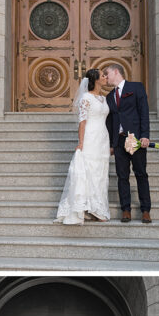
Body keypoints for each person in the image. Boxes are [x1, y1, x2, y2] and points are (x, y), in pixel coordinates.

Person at [55, 68, 110, 225]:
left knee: (100, 172)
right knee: (90, 171)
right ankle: (88, 208)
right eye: (103, 75)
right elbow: (83, 121)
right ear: (96, 79)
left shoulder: (103, 98)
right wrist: (81, 142)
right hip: (90, 138)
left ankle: (97, 207)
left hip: (103, 138)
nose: (106, 77)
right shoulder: (86, 98)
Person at [101, 64, 152, 224]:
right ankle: (126, 210)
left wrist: (145, 135)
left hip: (135, 139)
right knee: (122, 176)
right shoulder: (109, 96)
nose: (105, 77)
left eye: (106, 73)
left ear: (116, 72)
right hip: (119, 141)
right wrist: (111, 144)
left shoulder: (136, 87)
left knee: (141, 174)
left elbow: (143, 112)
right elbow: (110, 122)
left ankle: (145, 211)